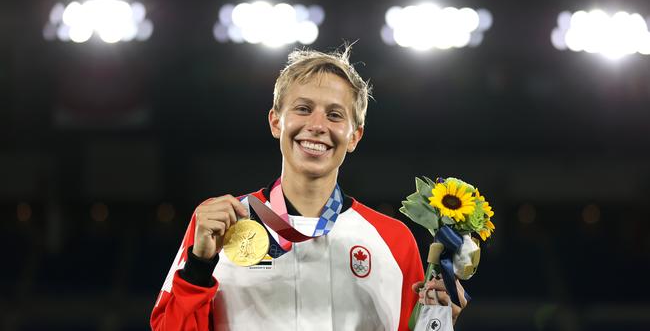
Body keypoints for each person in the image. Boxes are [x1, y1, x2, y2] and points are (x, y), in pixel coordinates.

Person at [150, 46, 467, 330]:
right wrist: (199, 265)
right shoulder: (221, 223)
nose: (317, 125)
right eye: (303, 109)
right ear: (276, 122)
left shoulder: (394, 240)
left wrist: (437, 320)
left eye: (334, 115)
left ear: (354, 136)